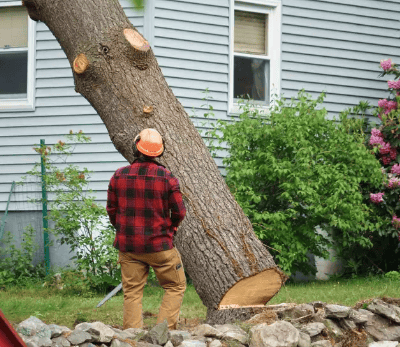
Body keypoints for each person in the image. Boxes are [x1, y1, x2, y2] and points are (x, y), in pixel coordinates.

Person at [106, 128, 187, 330]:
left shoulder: (118, 175)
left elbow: (112, 210)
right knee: (175, 286)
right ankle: (163, 334)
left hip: (129, 247)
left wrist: (124, 230)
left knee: (132, 292)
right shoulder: (167, 178)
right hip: (160, 246)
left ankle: (131, 338)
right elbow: (179, 212)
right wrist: (171, 229)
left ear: (136, 147)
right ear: (160, 151)